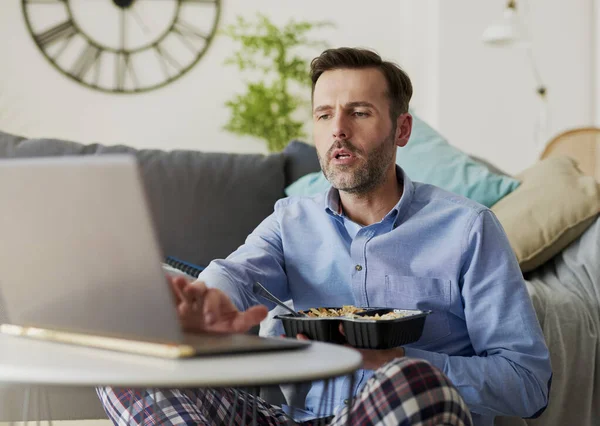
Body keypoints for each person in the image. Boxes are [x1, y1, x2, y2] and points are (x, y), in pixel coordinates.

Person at [98, 47, 551, 426]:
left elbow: (527, 383)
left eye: (359, 112)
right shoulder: (291, 220)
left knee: (413, 382)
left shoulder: (468, 228)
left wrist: (392, 360)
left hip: (398, 410)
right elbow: (234, 275)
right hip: (291, 419)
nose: (338, 129)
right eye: (324, 114)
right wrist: (203, 304)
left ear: (402, 129)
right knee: (129, 355)